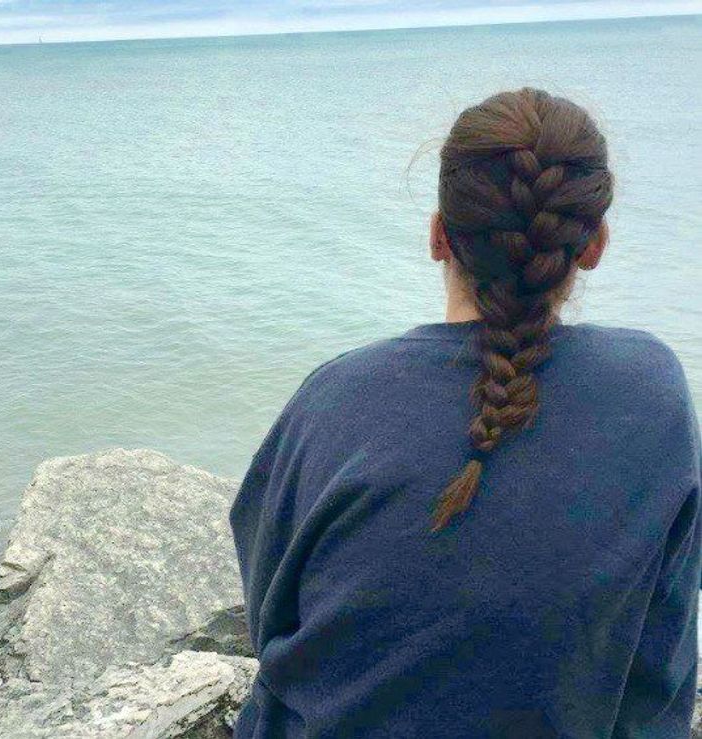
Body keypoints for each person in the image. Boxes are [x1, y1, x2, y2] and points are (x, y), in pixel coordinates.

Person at [229, 87, 702, 738]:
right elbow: (664, 637)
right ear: (594, 244)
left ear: (438, 236)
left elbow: (269, 611)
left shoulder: (336, 398)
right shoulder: (651, 387)